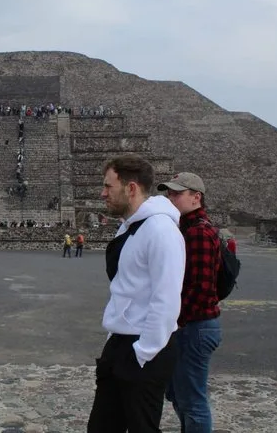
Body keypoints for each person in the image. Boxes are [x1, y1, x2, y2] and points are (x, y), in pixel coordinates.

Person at [87, 155, 186, 432]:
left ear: (131, 188)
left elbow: (166, 300)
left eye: (109, 186)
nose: (103, 193)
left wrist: (142, 353)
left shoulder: (160, 230)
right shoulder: (130, 226)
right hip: (120, 344)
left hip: (144, 349)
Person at [158, 173, 222, 433]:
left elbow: (201, 288)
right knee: (179, 395)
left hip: (195, 325)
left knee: (192, 401)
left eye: (177, 193)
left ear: (196, 197)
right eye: (169, 193)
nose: (170, 198)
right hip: (192, 324)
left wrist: (176, 321)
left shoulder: (198, 232)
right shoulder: (185, 229)